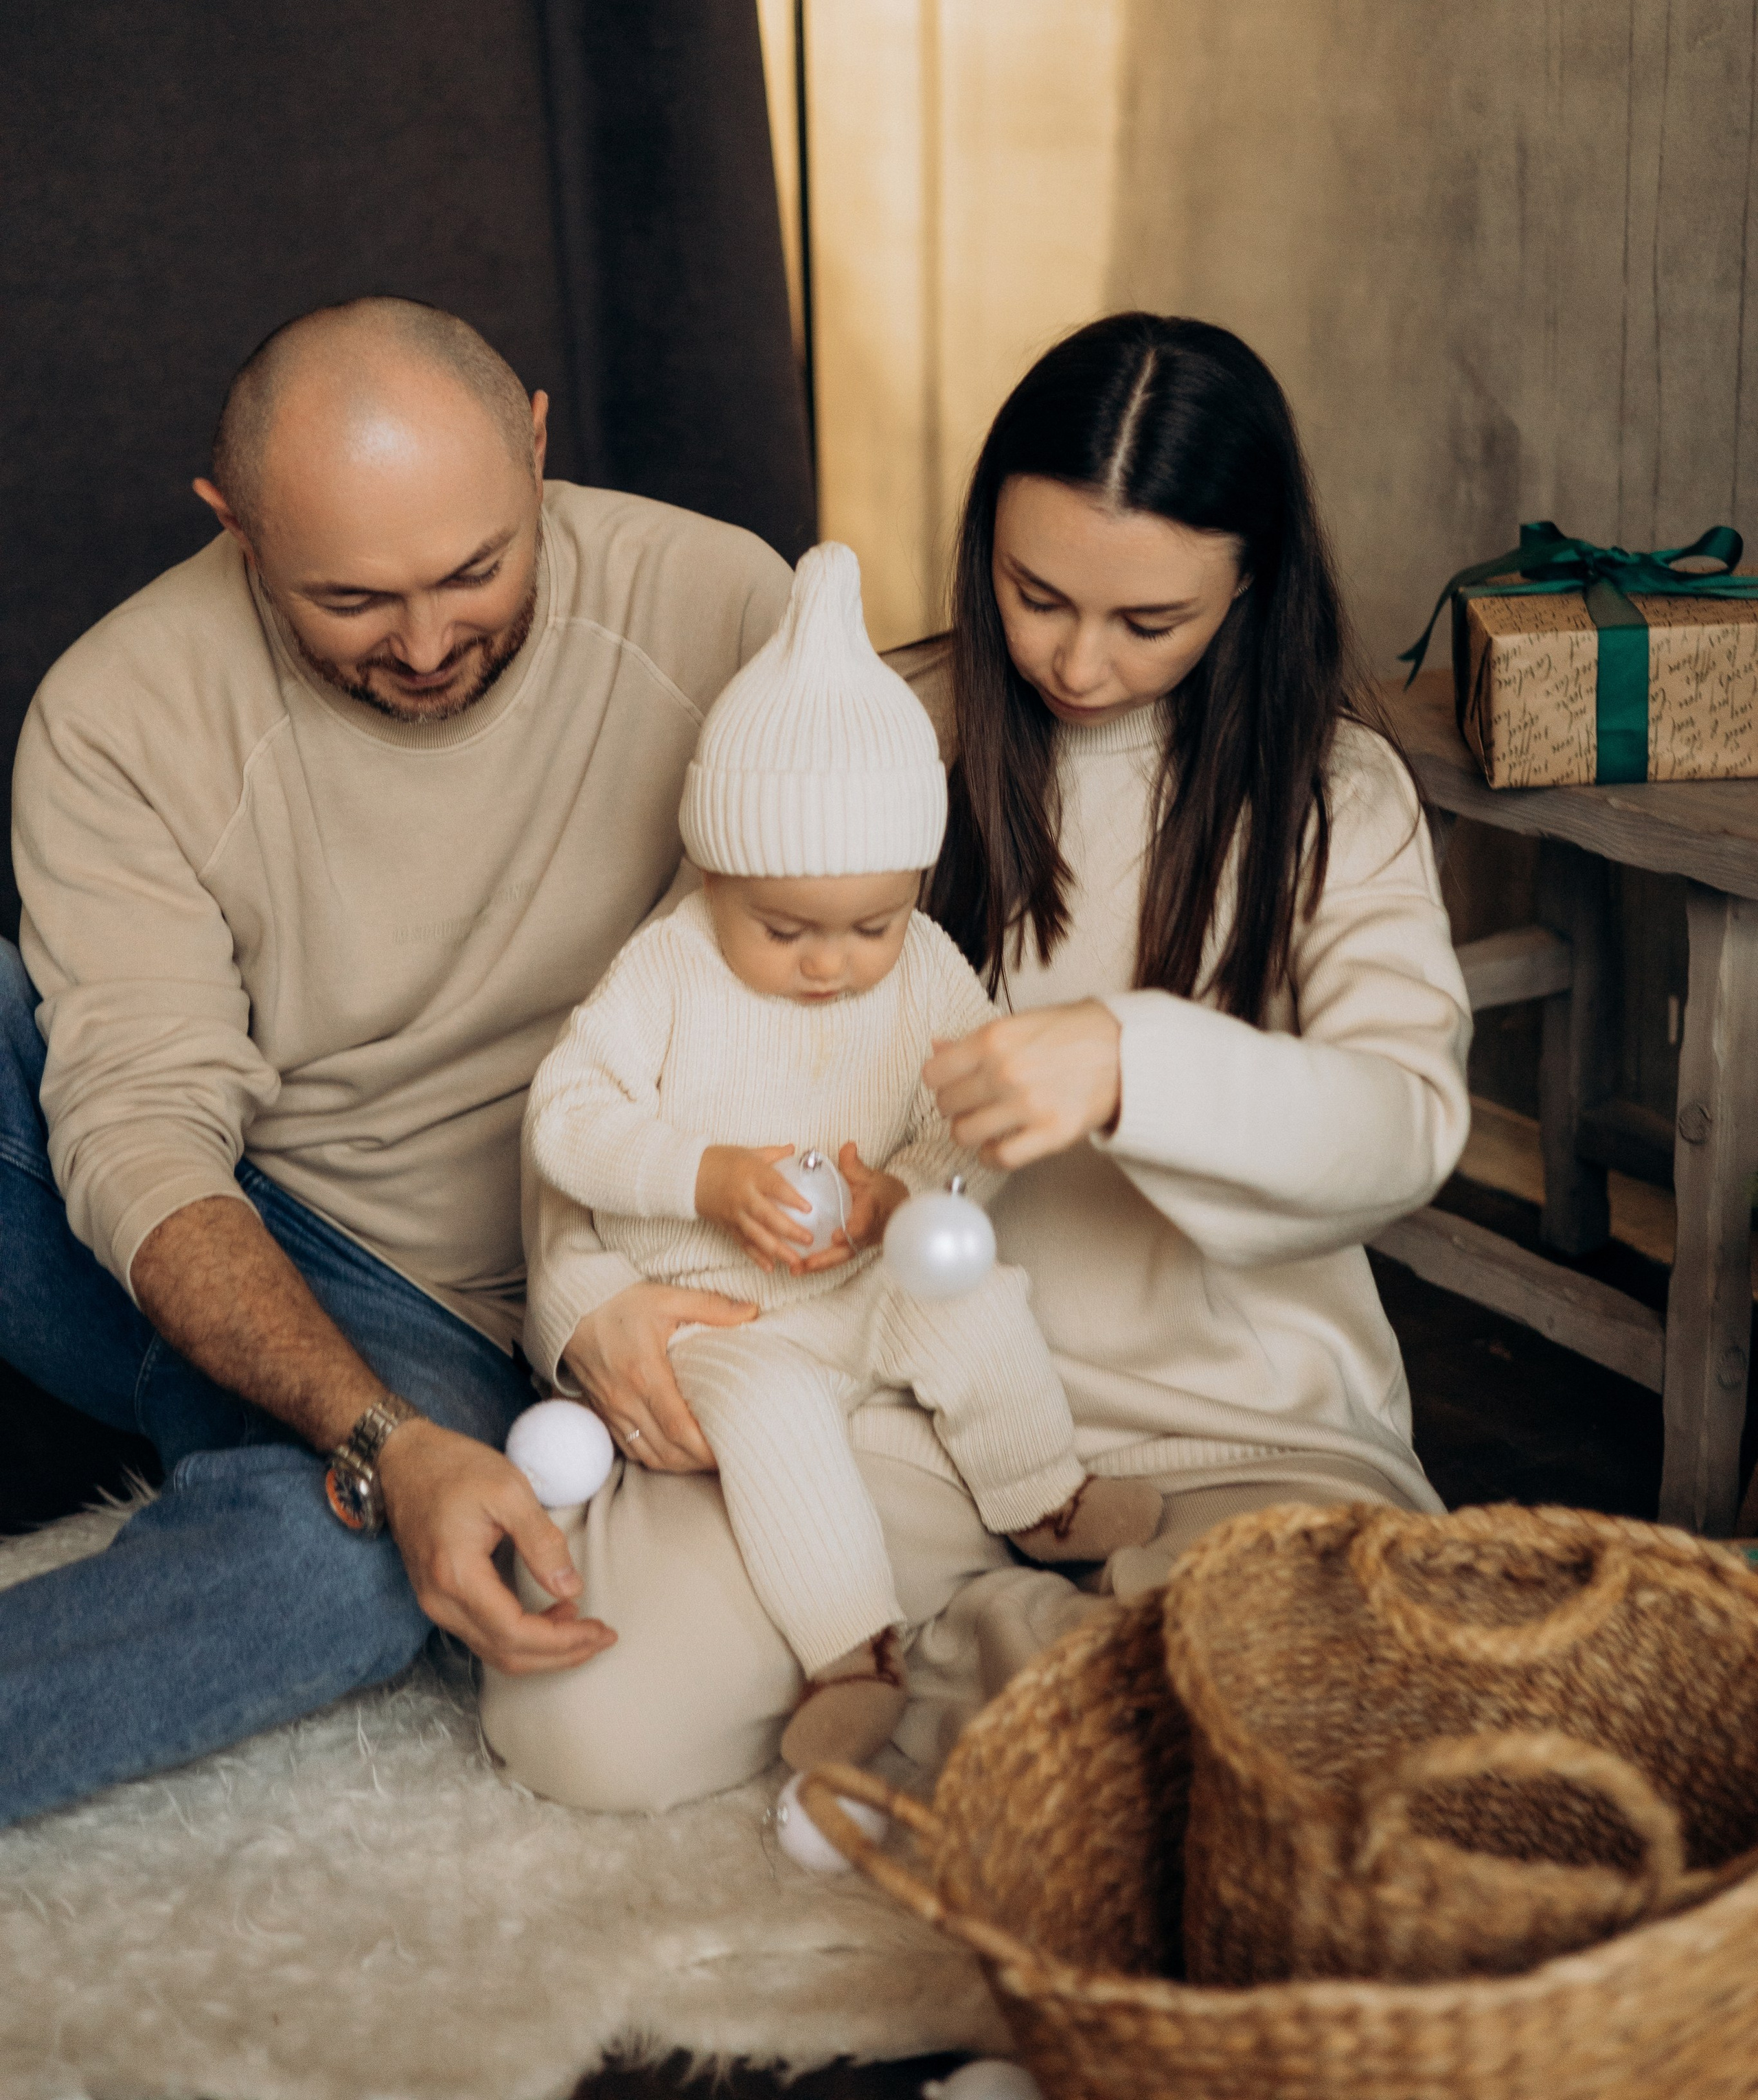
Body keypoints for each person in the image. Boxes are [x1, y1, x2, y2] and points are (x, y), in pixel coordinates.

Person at [516, 311, 1472, 1811]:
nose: (1077, 663)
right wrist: (589, 1312)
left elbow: (1403, 1128)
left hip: (1219, 1429)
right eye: (1034, 598)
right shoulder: (858, 739)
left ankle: (984, 1668)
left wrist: (1124, 1064)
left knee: (1321, 1721)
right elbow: (629, 1050)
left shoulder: (1330, 798)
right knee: (583, 1724)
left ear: (1252, 582)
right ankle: (1056, 1675)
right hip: (870, 1395)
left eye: (1147, 622)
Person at [0, 295, 794, 1829]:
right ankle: (247, 1423)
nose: (428, 644)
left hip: (463, 1294)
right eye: (351, 599)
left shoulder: (718, 608)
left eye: (477, 570)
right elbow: (141, 1128)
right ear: (234, 530)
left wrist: (430, 1429)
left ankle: (259, 1468)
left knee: (360, 1560)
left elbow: (828, 988)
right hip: (209, 1200)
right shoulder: (116, 708)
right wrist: (368, 1434)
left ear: (539, 451)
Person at [485, 544, 1159, 1792]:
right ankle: (852, 1654)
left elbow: (971, 1116)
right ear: (714, 872)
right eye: (784, 928)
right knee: (781, 1426)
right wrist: (705, 1177)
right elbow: (567, 1118)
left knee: (968, 1299)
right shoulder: (670, 969)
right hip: (719, 1316)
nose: (831, 964)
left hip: (854, 1276)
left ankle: (1039, 1494)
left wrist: (898, 1194)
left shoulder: (927, 972)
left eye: (871, 924)